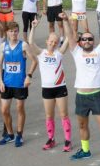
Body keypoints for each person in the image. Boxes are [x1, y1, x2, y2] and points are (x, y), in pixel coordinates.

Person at [66, 19, 100, 166]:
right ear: (80, 42)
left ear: (93, 41)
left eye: (90, 39)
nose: (87, 41)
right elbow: (69, 35)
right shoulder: (76, 52)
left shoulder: (99, 52)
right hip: (81, 95)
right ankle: (86, 150)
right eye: (84, 39)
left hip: (96, 95)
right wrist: (65, 21)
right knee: (82, 125)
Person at [27, 14, 73, 152]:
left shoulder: (60, 53)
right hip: (47, 89)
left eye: (56, 41)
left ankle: (68, 140)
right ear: (47, 41)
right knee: (49, 115)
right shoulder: (41, 53)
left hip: (60, 88)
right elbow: (30, 43)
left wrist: (66, 22)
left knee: (63, 114)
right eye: (51, 41)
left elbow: (69, 37)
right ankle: (51, 139)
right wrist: (33, 27)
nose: (53, 43)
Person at [0, 22, 30, 147]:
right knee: (4, 110)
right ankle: (10, 134)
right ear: (7, 32)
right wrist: (0, 80)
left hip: (20, 84)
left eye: (16, 31)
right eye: (11, 31)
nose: (13, 34)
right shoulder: (3, 46)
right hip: (6, 83)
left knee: (19, 108)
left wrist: (29, 75)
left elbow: (35, 61)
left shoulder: (23, 46)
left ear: (18, 32)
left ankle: (19, 135)